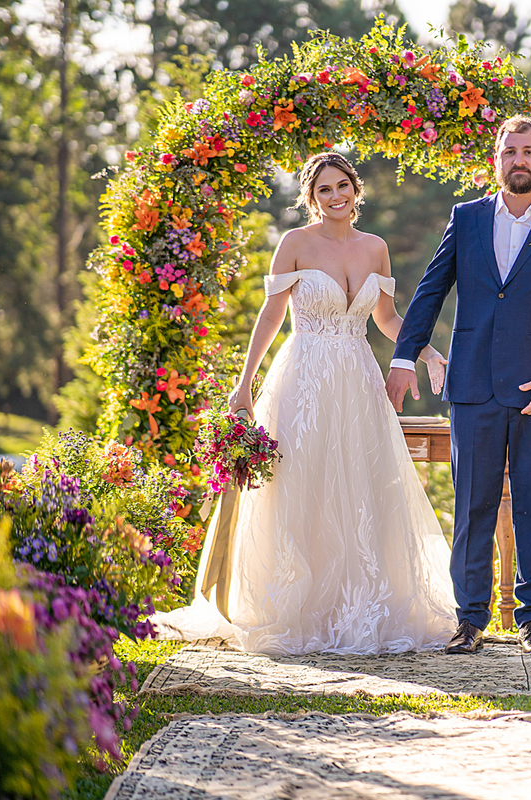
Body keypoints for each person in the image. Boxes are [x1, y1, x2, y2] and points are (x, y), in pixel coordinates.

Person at [153, 152, 457, 656]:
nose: (335, 196)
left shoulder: (376, 248)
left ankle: (354, 604)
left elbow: (386, 318)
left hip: (358, 380)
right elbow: (271, 315)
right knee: (300, 485)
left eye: (342, 186)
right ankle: (296, 608)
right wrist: (244, 384)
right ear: (311, 198)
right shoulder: (294, 243)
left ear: (356, 190)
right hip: (304, 379)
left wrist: (425, 351)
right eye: (324, 190)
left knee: (360, 485)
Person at [387, 115, 531, 655]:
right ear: (495, 159)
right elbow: (430, 292)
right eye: (510, 151)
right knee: (472, 505)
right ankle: (470, 620)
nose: (518, 160)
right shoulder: (467, 218)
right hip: (472, 386)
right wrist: (404, 357)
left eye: (528, 151)